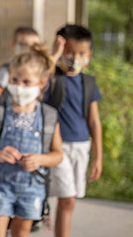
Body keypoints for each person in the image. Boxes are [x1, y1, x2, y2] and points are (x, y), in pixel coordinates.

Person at [0, 44, 63, 237]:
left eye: (27, 82)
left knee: (22, 233)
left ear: (42, 83)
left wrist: (40, 160)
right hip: (0, 185)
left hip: (32, 187)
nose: (19, 86)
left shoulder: (48, 116)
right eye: (15, 80)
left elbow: (58, 154)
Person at [44, 24, 102, 237]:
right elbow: (40, 78)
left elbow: (94, 122)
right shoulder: (52, 78)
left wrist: (98, 157)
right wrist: (54, 54)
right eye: (69, 52)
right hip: (56, 147)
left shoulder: (88, 82)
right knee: (66, 197)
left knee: (69, 201)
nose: (75, 58)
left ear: (89, 55)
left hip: (81, 146)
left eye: (81, 53)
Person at [0, 27, 40, 106]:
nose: (30, 50)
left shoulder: (39, 68)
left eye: (35, 46)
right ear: (14, 45)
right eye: (24, 45)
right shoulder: (7, 69)